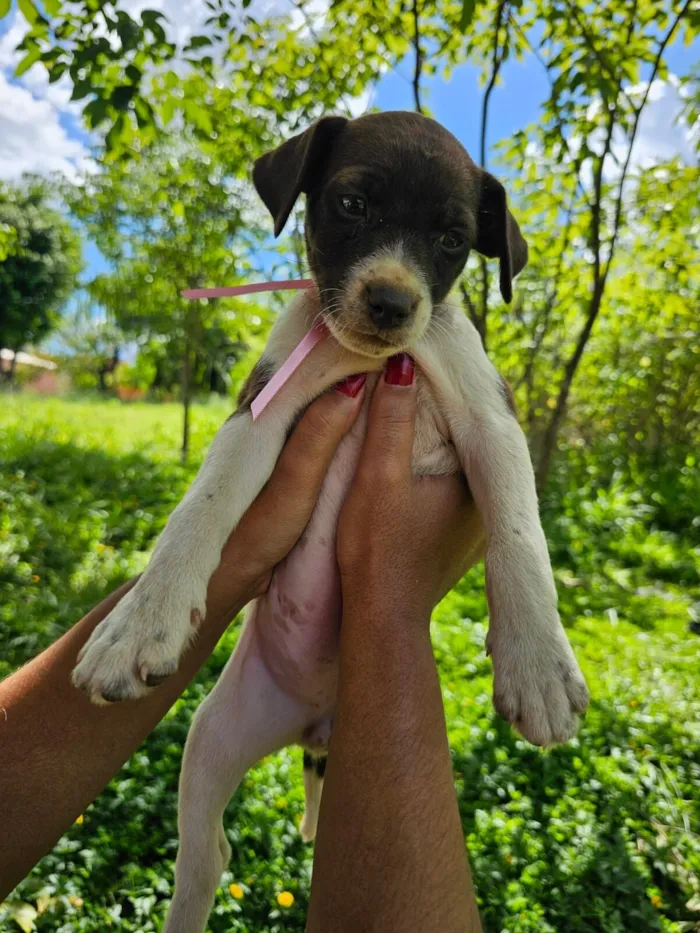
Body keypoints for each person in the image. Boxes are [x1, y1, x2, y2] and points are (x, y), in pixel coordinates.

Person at [0, 357, 483, 933]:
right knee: (206, 750)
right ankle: (194, 883)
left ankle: (312, 804)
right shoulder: (300, 345)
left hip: (337, 670)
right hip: (270, 673)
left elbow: (493, 438)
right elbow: (252, 424)